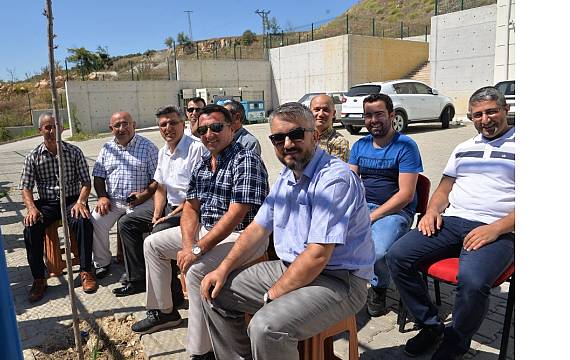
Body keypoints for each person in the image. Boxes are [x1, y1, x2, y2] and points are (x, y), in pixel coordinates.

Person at [199, 102, 375, 360]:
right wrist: (222, 269)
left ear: (314, 135)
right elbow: (257, 228)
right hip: (290, 266)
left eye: (296, 134)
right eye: (278, 138)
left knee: (266, 327)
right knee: (214, 292)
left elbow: (317, 255)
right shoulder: (287, 174)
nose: (288, 143)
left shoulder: (334, 179)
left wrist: (273, 295)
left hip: (340, 279)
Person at [131, 105, 269, 360]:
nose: (209, 134)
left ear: (231, 127)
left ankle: (201, 350)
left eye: (216, 127)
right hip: (209, 230)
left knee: (195, 271)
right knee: (153, 244)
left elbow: (236, 214)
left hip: (244, 236)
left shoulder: (246, 160)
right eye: (203, 129)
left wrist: (197, 249)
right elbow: (191, 208)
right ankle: (164, 311)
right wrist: (187, 244)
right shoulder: (204, 162)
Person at [387, 86, 515, 360]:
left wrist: (495, 228)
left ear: (505, 109)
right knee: (397, 255)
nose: (485, 119)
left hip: (499, 230)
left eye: (491, 111)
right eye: (477, 114)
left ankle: (456, 342)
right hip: (453, 221)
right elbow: (444, 189)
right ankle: (431, 326)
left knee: (472, 280)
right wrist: (433, 211)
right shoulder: (464, 147)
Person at [112, 105, 205, 298]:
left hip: (192, 210)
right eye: (163, 125)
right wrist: (156, 214)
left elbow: (196, 196)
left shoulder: (196, 149)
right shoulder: (164, 152)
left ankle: (173, 296)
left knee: (158, 232)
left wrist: (166, 217)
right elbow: (161, 187)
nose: (168, 128)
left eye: (173, 123)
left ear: (183, 124)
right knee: (126, 223)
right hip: (170, 208)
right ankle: (137, 279)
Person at [348, 93, 423, 317]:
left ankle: (379, 287)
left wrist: (372, 217)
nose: (373, 120)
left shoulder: (405, 146)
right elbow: (351, 183)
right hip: (364, 207)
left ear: (391, 115)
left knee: (378, 251)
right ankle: (346, 289)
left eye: (379, 114)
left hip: (396, 211)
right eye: (368, 115)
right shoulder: (360, 146)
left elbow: (406, 195)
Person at [19, 113, 97, 303]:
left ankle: (86, 271)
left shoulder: (74, 152)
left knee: (84, 221)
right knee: (30, 228)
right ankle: (39, 278)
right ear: (40, 130)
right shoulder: (33, 157)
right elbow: (26, 187)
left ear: (62, 128)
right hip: (46, 203)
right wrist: (31, 208)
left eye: (55, 126)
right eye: (47, 127)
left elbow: (86, 182)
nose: (52, 131)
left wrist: (81, 201)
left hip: (71, 199)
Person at [89, 111, 158, 279]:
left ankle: (136, 268)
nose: (122, 128)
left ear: (133, 124)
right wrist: (102, 197)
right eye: (117, 125)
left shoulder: (148, 147)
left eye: (125, 123)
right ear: (111, 128)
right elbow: (98, 176)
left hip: (141, 201)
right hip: (113, 201)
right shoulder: (107, 149)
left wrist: (143, 195)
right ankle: (102, 263)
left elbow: (157, 179)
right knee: (96, 219)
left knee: (131, 224)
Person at [310, 94, 349, 162]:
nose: (321, 114)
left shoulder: (339, 142)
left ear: (333, 114)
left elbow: (336, 170)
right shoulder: (303, 136)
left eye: (325, 110)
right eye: (317, 109)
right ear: (309, 112)